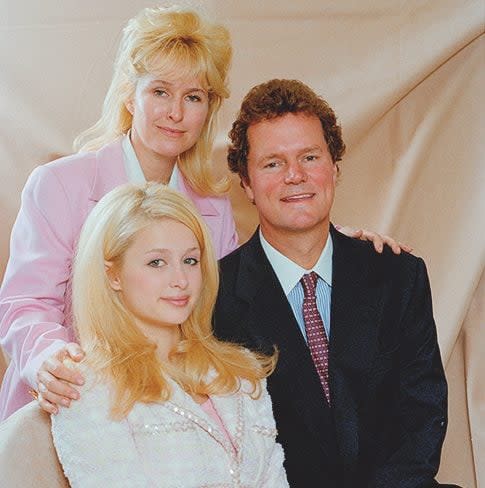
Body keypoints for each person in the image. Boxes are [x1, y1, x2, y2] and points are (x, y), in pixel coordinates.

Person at [0, 5, 405, 421]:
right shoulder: (59, 184)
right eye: (160, 92)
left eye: (192, 97)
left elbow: (237, 292)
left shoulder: (212, 205)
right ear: (129, 93)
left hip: (165, 412)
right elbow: (24, 302)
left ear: (207, 109)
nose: (175, 113)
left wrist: (326, 241)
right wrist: (49, 359)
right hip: (65, 404)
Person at [213, 79, 449, 487]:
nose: (295, 176)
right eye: (272, 163)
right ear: (246, 184)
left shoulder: (398, 275)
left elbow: (422, 418)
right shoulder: (210, 296)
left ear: (335, 168)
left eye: (309, 156)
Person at [50, 182, 288, 487]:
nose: (180, 280)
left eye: (190, 260)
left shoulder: (242, 372)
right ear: (113, 275)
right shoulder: (87, 388)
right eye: (156, 262)